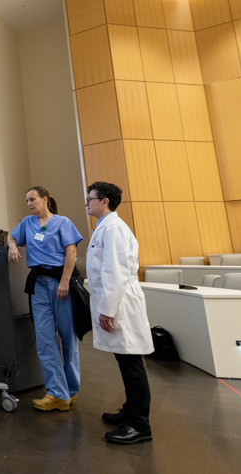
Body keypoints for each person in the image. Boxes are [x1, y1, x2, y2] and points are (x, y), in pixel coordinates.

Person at [85, 181, 154, 445]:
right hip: (116, 302)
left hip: (121, 304)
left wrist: (107, 310)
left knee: (131, 364)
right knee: (125, 362)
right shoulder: (105, 227)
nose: (88, 202)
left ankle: (139, 425)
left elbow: (114, 271)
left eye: (90, 198)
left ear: (105, 201)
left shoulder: (113, 228)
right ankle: (131, 411)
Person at [9, 186, 83, 411]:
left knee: (68, 338)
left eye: (33, 199)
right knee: (44, 338)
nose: (30, 204)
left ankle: (70, 391)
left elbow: (71, 252)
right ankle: (57, 393)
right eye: (27, 200)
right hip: (39, 286)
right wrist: (12, 246)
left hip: (61, 283)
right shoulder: (28, 224)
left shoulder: (62, 222)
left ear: (45, 199)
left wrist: (64, 281)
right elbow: (12, 236)